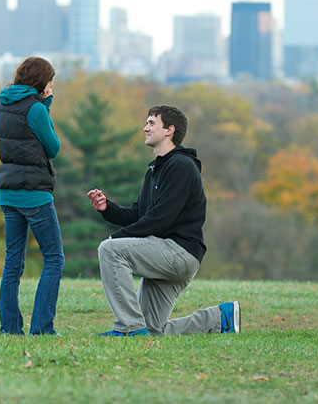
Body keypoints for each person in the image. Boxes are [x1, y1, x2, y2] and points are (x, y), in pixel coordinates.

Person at [86, 105, 239, 336]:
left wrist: (114, 239)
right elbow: (141, 214)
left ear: (169, 130)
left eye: (151, 123)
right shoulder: (156, 170)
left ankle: (128, 328)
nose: (145, 128)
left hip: (178, 252)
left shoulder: (181, 167)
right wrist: (108, 208)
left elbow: (160, 220)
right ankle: (220, 318)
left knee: (110, 250)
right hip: (164, 252)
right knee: (152, 330)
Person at [0, 56, 64, 335]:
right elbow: (53, 147)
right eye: (51, 82)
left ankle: (9, 329)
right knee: (54, 259)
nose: (52, 87)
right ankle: (42, 328)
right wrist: (45, 106)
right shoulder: (35, 109)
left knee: (13, 263)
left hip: (8, 194)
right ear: (42, 83)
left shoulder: (3, 105)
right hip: (34, 195)